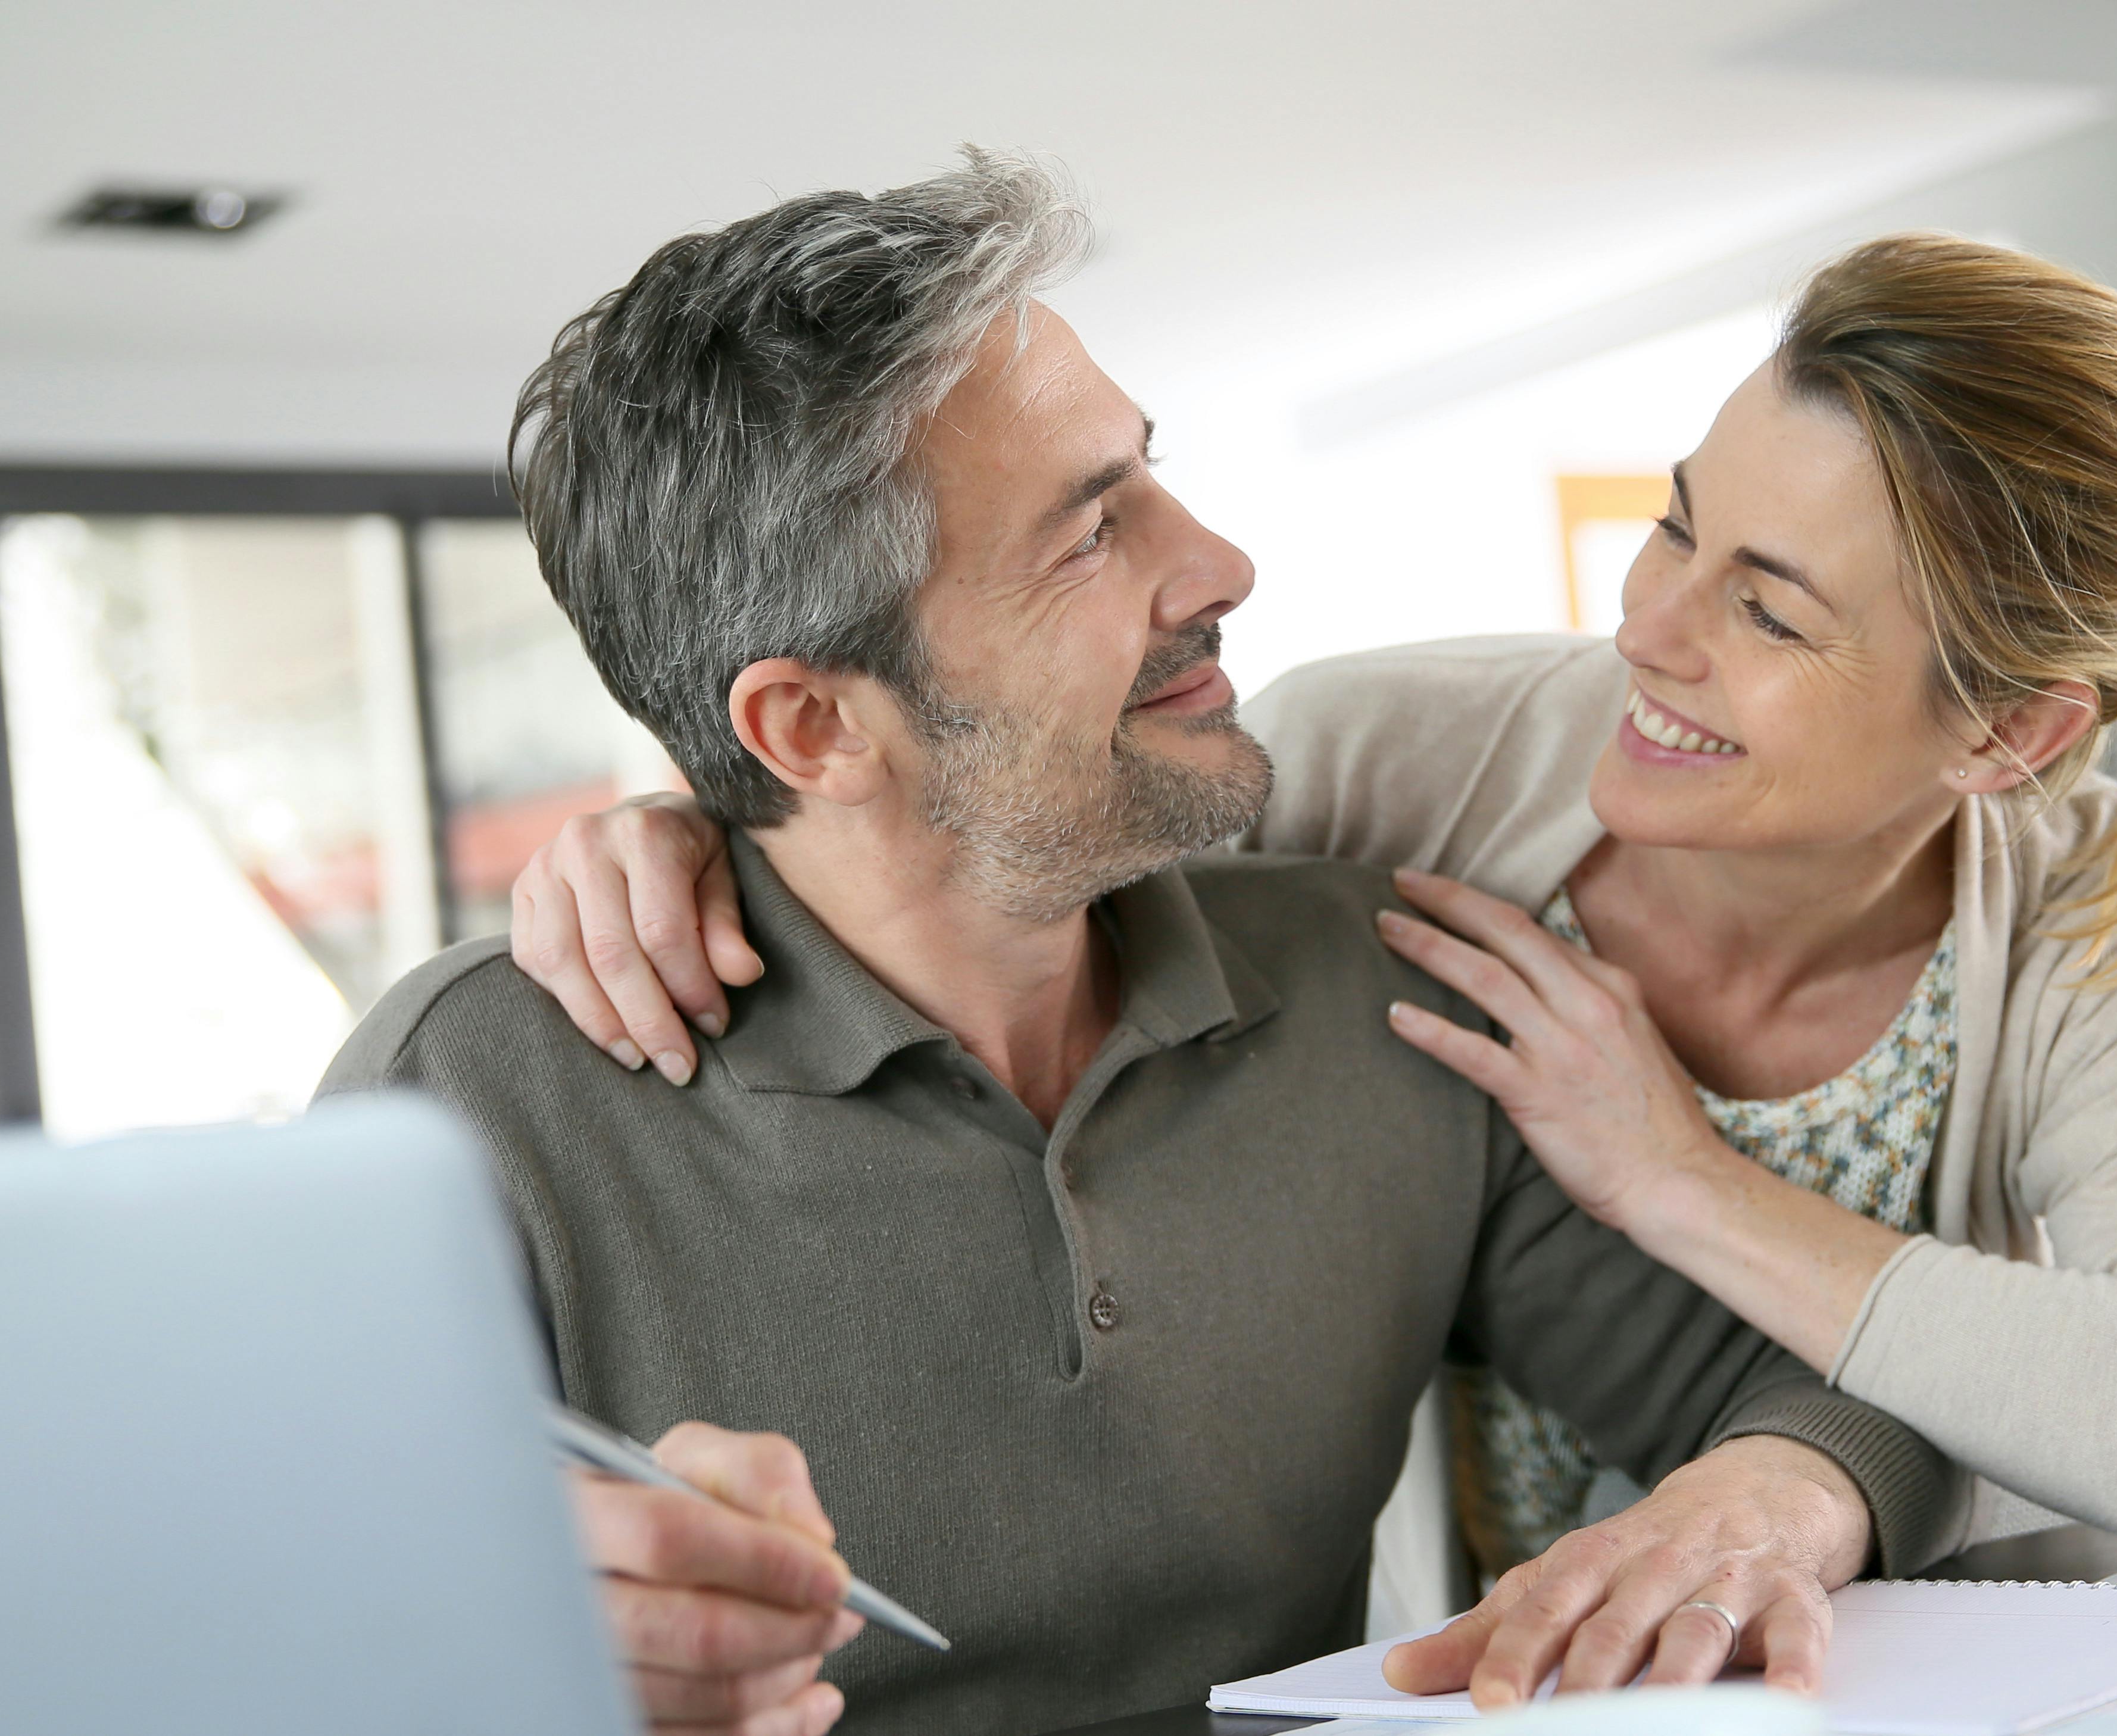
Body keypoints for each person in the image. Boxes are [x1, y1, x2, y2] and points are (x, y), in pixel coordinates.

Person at [319, 151, 1960, 1736]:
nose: (1221, 565)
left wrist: (1775, 1493)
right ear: (813, 724)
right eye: (1091, 531)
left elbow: (1829, 1392)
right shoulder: (469, 1099)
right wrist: (512, 1667)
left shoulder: (1380, 990)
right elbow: (275, 1639)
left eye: (1149, 473)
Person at [506, 230, 2117, 1585]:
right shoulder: (1395, 772)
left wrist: (1682, 1182)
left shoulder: (2115, 913)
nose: (1651, 628)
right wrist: (702, 814)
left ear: (2011, 735)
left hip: (1910, 1663)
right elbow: (993, 804)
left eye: (1775, 613)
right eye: (1674, 525)